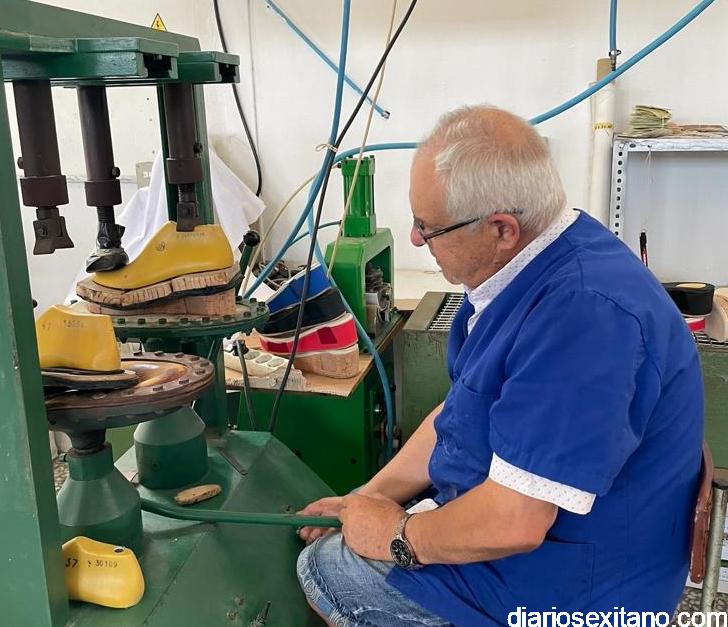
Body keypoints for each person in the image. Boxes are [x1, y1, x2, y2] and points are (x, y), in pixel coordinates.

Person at [295, 105, 703, 626]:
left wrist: (397, 536)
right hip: (554, 545)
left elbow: (516, 522)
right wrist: (364, 499)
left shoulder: (582, 317)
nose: (416, 239)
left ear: (502, 229)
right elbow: (460, 414)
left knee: (325, 568)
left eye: (428, 227)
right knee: (345, 541)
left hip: (583, 590)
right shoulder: (531, 265)